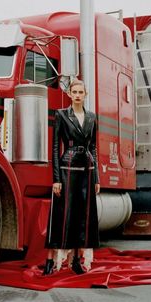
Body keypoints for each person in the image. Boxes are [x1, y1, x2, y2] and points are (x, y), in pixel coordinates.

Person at [43, 78, 100, 275]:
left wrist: (97, 178)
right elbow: (56, 147)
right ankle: (50, 261)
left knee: (81, 217)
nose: (77, 95)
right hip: (67, 168)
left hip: (87, 170)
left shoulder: (92, 117)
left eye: (80, 92)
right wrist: (56, 179)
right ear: (69, 94)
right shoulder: (61, 114)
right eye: (74, 92)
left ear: (85, 95)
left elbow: (93, 147)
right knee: (61, 215)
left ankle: (75, 261)